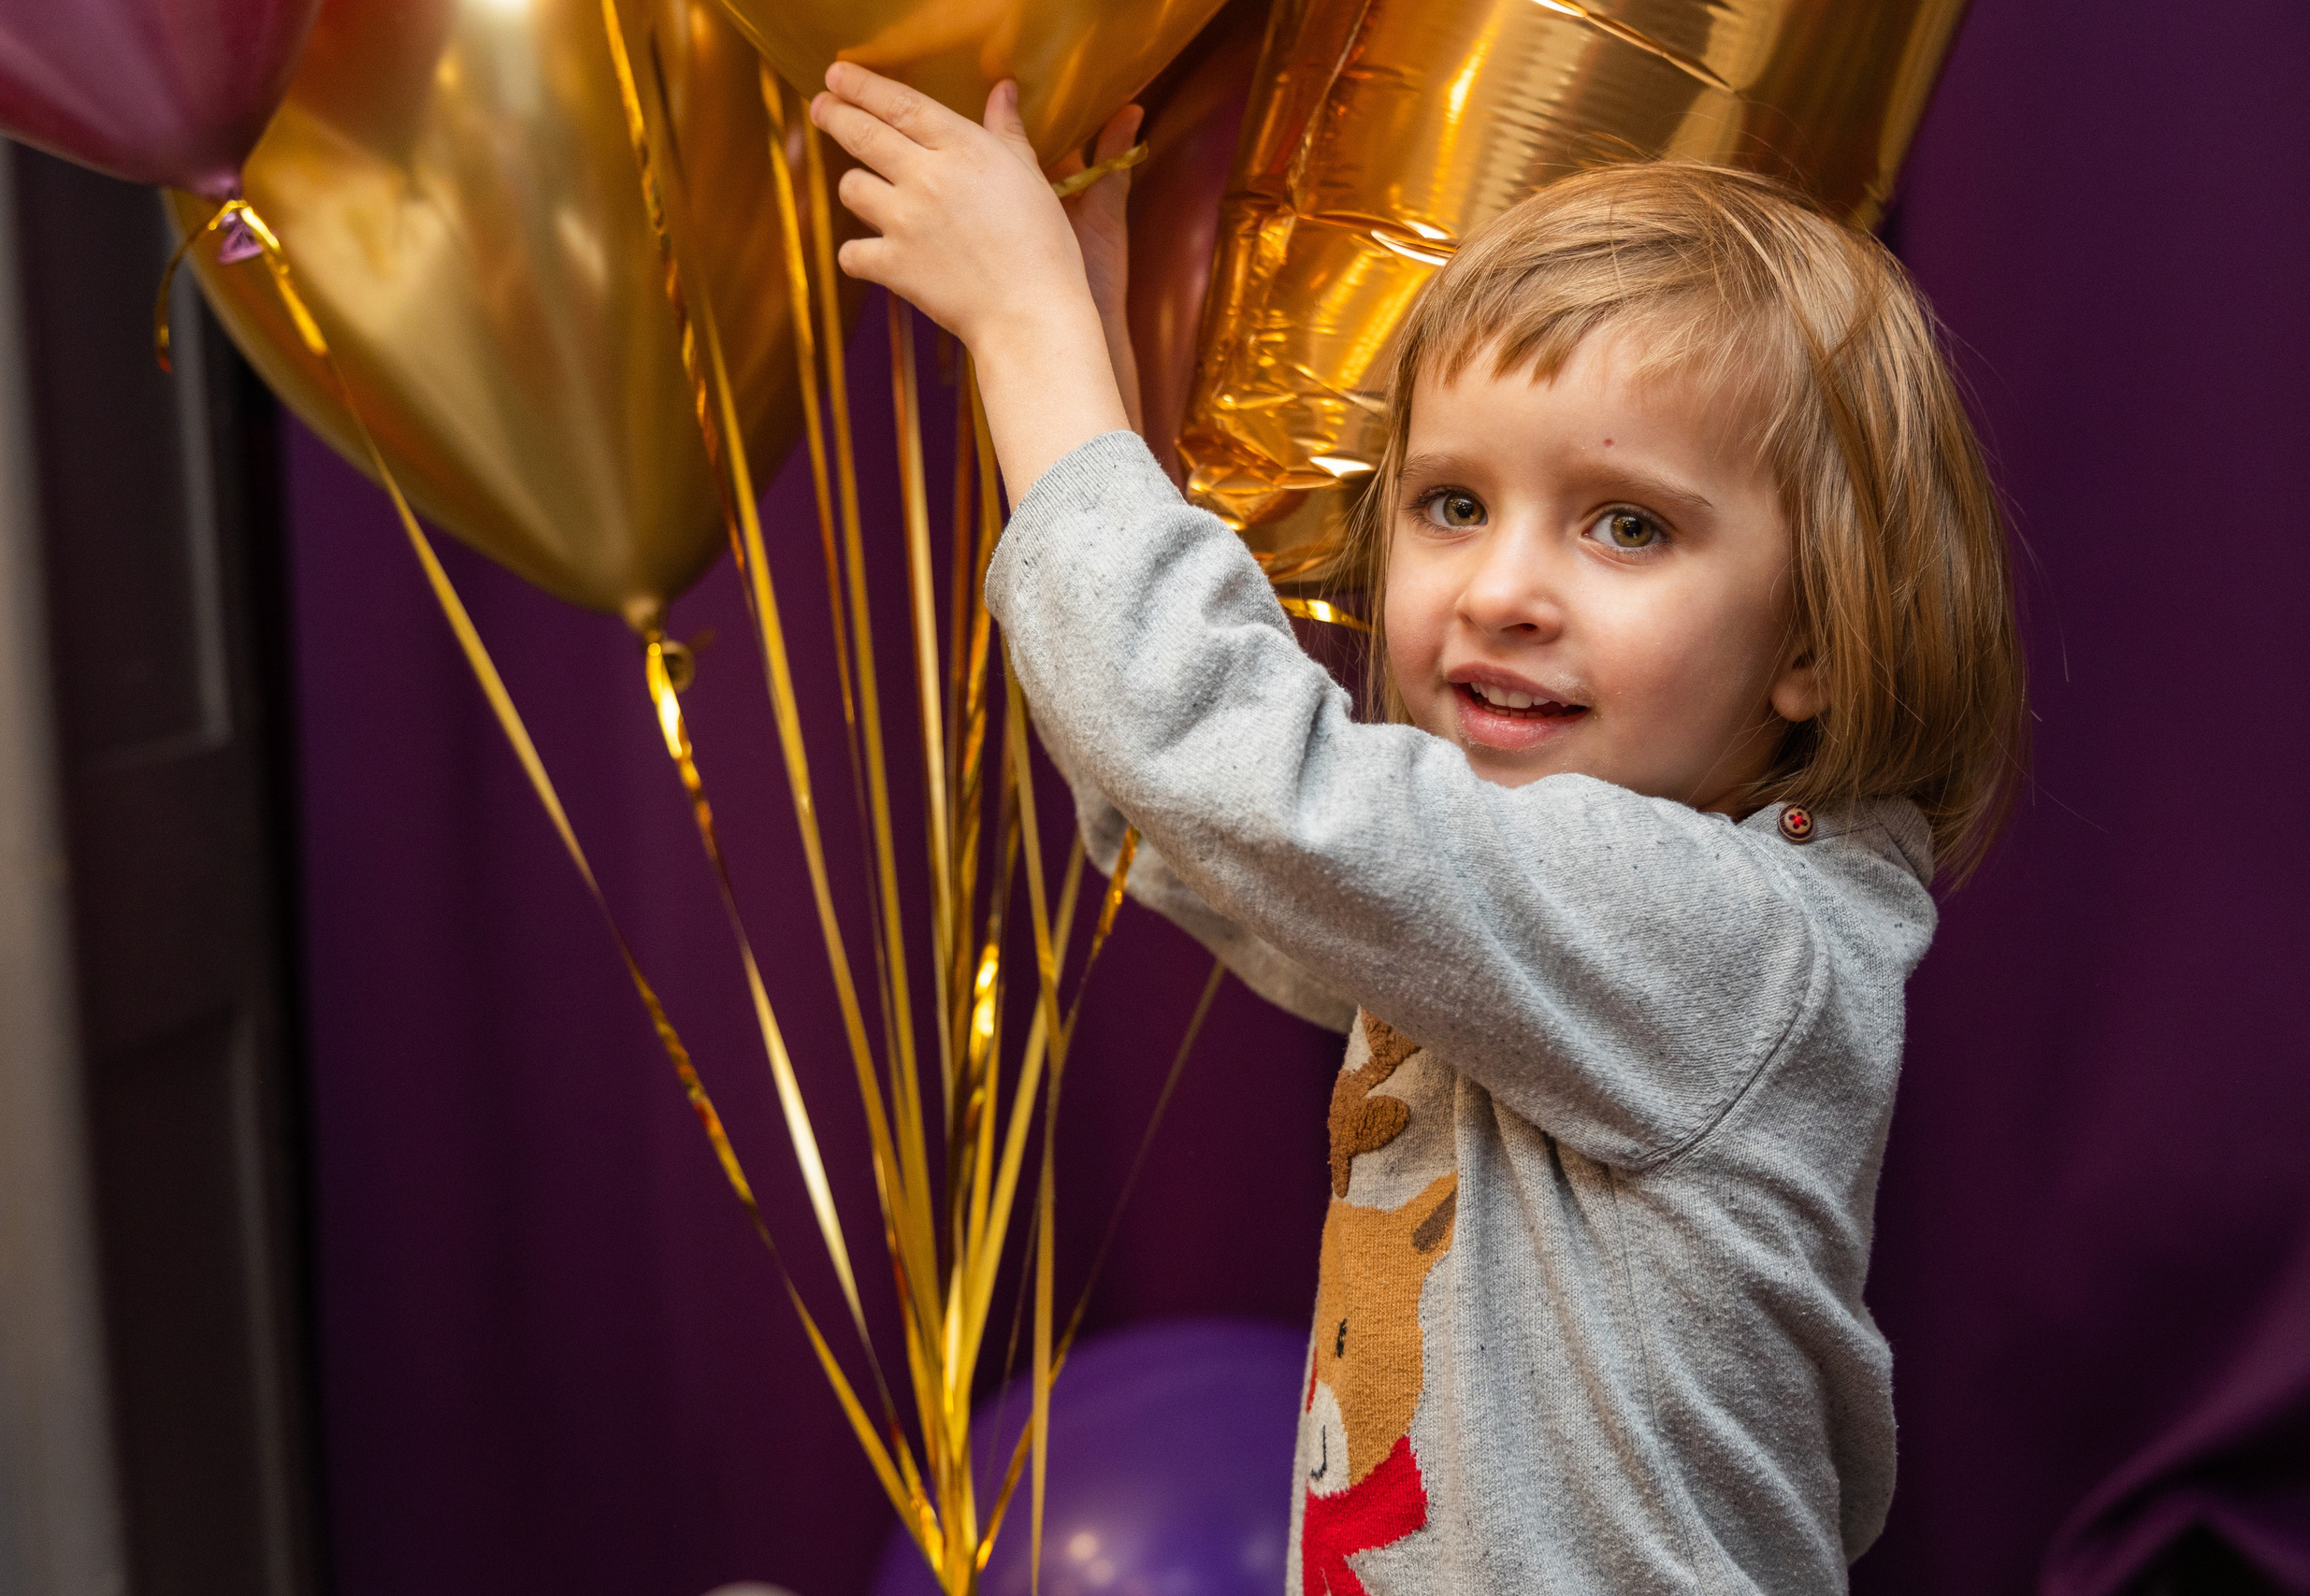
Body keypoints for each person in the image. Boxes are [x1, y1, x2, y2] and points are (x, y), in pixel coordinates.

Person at [809, 59, 2026, 1596]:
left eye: (1627, 525)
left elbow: (1229, 773)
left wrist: (1028, 334)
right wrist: (1095, 375)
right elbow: (1179, 822)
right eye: (1451, 503)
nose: (1501, 589)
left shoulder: (1719, 933)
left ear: (1820, 643)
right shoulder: (1527, 927)